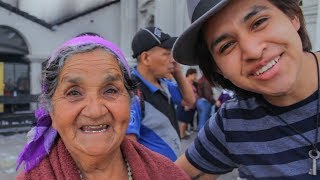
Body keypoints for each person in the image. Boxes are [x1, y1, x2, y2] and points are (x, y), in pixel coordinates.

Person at [173, 0, 320, 179]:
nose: (253, 51)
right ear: (218, 68)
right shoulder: (232, 122)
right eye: (227, 46)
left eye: (259, 22)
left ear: (293, 16)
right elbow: (172, 174)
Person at [16, 35, 189, 179]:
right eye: (74, 93)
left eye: (111, 90)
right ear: (51, 110)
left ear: (130, 102)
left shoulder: (168, 174)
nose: (95, 111)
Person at [126, 26, 196, 161]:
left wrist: (178, 72)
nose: (173, 59)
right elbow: (130, 147)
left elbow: (189, 102)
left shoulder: (163, 83)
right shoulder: (132, 92)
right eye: (166, 54)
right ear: (146, 58)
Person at [176, 68, 198, 139]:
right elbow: (181, 93)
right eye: (194, 75)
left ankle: (184, 133)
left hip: (191, 105)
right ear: (189, 74)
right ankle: (182, 135)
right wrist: (186, 104)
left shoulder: (192, 83)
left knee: (186, 120)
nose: (195, 77)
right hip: (185, 105)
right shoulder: (185, 82)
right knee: (183, 120)